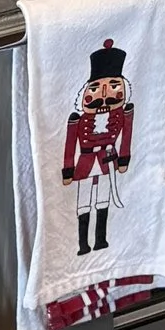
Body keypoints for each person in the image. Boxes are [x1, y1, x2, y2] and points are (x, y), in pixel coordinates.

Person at [62, 40, 135, 254]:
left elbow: (127, 137)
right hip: (84, 163)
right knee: (83, 202)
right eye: (96, 89)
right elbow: (69, 145)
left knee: (103, 201)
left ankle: (101, 239)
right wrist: (67, 170)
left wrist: (124, 159)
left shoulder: (122, 115)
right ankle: (83, 243)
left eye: (113, 87)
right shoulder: (78, 120)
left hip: (107, 162)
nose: (104, 95)